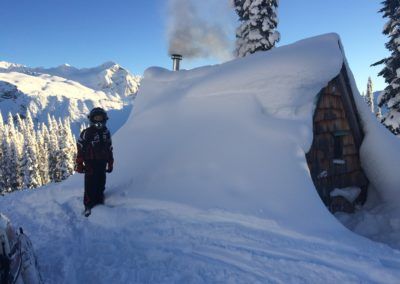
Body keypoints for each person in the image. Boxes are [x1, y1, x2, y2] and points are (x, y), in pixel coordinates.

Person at [75, 107, 114, 217]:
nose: (98, 121)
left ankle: (99, 201)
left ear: (104, 119)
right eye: (96, 118)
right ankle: (88, 205)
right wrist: (79, 163)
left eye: (100, 118)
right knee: (90, 185)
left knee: (101, 183)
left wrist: (110, 162)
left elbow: (110, 148)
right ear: (92, 119)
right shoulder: (87, 133)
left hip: (102, 162)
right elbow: (80, 148)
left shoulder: (106, 132)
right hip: (90, 163)